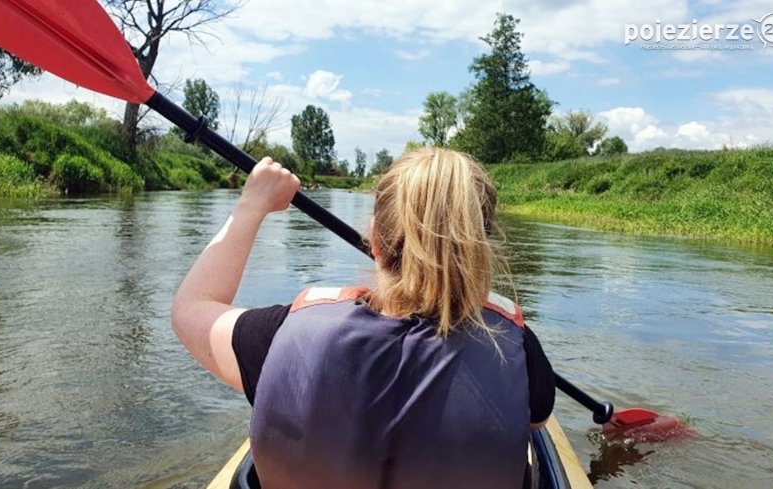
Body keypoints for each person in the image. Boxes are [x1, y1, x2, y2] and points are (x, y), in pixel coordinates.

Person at [171, 148, 555, 489]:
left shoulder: (280, 338)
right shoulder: (517, 350)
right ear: (480, 250)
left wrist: (252, 204)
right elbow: (532, 423)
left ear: (373, 239)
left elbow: (191, 308)